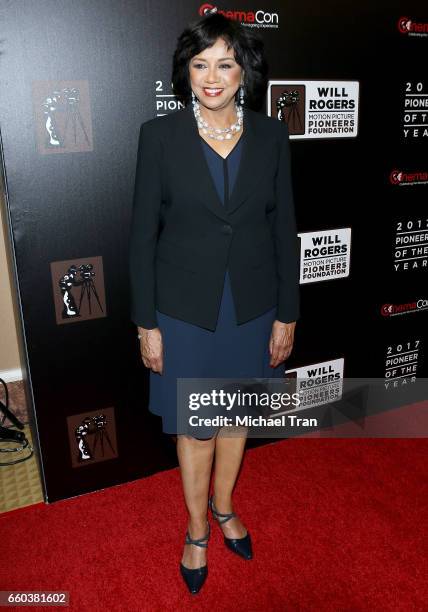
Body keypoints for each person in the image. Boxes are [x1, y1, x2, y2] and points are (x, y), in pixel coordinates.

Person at [128, 12, 300, 595]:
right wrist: (146, 324)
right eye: (200, 64)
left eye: (224, 63)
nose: (211, 76)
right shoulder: (160, 137)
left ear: (243, 71)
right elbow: (141, 238)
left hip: (251, 307)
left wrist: (287, 312)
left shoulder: (272, 136)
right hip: (185, 310)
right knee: (198, 427)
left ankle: (225, 505)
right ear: (186, 72)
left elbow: (284, 232)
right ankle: (198, 528)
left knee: (236, 417)